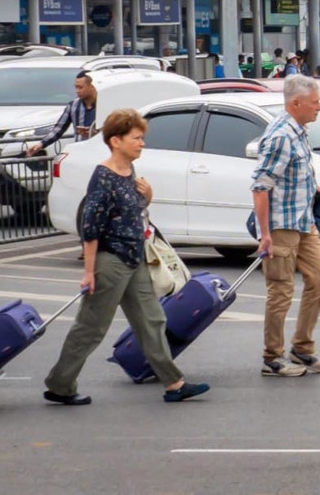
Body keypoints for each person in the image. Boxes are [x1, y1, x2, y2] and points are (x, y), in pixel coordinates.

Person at [42, 108, 209, 406]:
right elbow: (91, 228)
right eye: (136, 138)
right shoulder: (103, 177)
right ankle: (60, 384)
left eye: (142, 138)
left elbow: (132, 213)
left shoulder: (129, 172)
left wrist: (147, 197)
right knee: (91, 327)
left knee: (152, 320)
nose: (141, 143)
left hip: (134, 258)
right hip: (111, 261)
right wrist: (89, 272)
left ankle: (174, 383)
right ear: (116, 141)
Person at [251, 74, 320, 378]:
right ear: (296, 103)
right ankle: (272, 357)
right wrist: (265, 235)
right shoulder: (280, 137)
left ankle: (302, 348)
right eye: (315, 103)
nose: (319, 108)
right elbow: (260, 187)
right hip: (281, 226)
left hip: (303, 221)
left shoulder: (299, 131)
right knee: (281, 291)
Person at [28, 71, 98, 157]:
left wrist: (94, 133)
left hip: (100, 153)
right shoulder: (73, 105)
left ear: (92, 87)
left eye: (81, 87)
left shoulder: (105, 104)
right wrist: (41, 144)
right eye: (76, 87)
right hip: (81, 153)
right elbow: (59, 128)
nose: (77, 91)